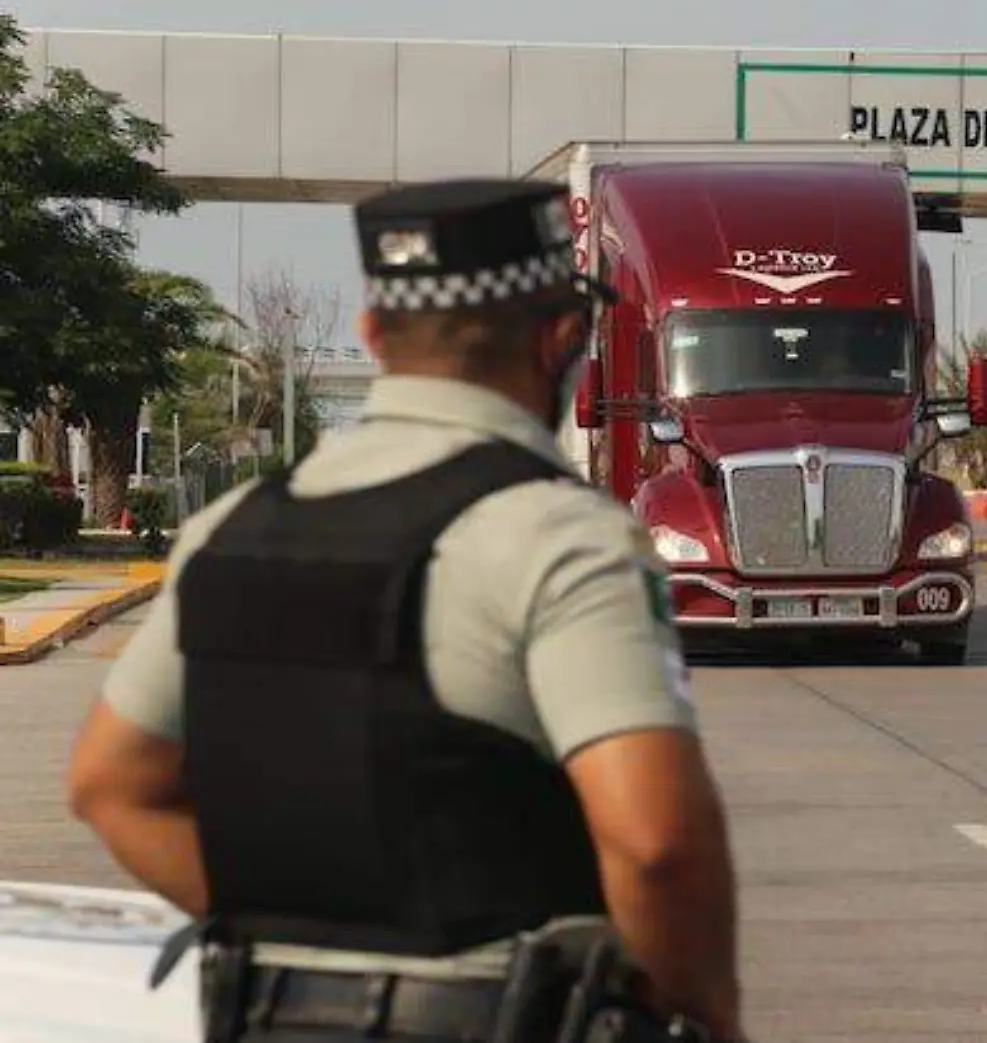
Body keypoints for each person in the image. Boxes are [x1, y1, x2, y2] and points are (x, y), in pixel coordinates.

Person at [64, 179, 745, 1043]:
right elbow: (656, 845)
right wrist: (707, 1014)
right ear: (563, 337)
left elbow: (110, 784)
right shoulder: (562, 541)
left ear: (373, 334)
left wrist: (293, 935)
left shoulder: (225, 534)